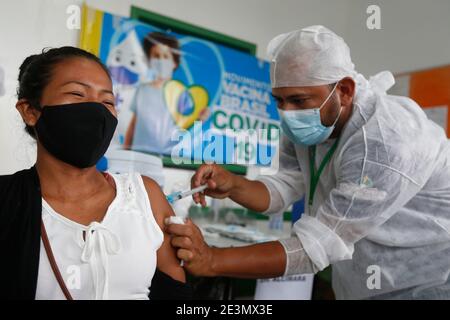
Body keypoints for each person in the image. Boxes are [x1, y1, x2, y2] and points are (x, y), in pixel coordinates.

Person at [165, 25, 450, 300]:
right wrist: (233, 184)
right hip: (364, 281)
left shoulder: (384, 143)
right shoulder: (315, 121)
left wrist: (212, 259)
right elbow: (283, 187)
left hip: (427, 282)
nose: (287, 113)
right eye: (279, 100)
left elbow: (316, 246)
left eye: (298, 100)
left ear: (345, 91)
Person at [0, 46, 190, 300]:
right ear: (30, 112)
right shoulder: (6, 201)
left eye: (107, 101)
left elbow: (175, 294)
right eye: (77, 93)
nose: (97, 111)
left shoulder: (145, 196)